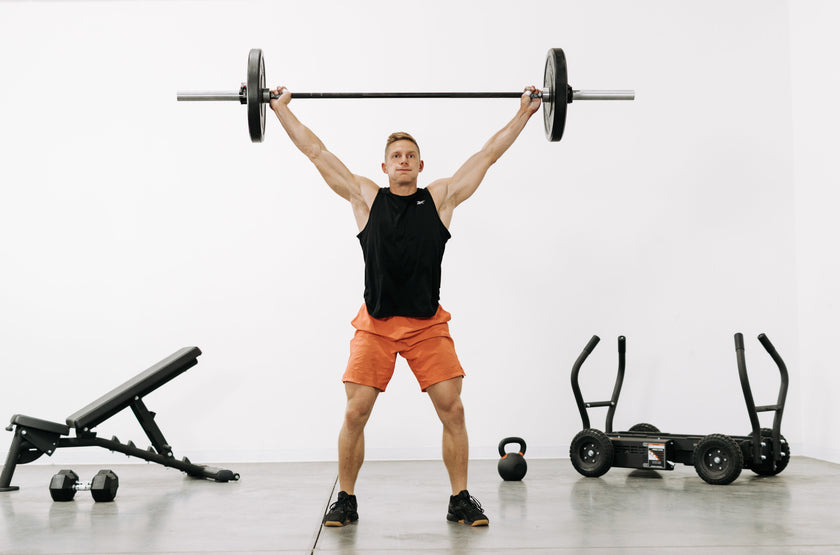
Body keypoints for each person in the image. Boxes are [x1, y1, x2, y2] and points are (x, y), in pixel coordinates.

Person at [269, 84, 540, 527]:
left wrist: (524, 113)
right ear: (385, 165)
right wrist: (280, 110)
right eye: (396, 155)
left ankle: (460, 499)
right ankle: (347, 500)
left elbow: (488, 154)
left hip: (426, 324)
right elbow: (316, 152)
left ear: (420, 164)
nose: (403, 160)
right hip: (374, 324)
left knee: (452, 408)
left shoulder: (440, 199)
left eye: (410, 155)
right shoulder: (365, 198)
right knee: (355, 411)